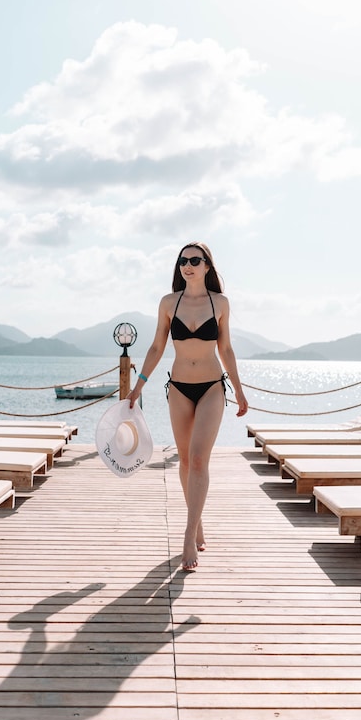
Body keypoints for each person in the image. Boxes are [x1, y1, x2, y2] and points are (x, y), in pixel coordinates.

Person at [128, 242, 249, 571]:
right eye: (183, 261)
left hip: (211, 387)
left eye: (195, 260)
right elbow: (156, 346)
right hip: (179, 388)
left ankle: (186, 534)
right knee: (184, 460)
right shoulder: (169, 302)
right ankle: (198, 524)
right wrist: (138, 386)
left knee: (198, 459)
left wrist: (238, 391)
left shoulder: (220, 303)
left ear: (207, 266)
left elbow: (226, 349)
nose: (187, 265)